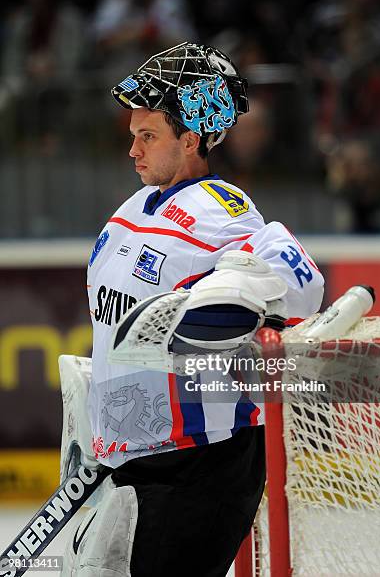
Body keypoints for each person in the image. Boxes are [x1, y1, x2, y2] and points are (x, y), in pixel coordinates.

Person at [62, 42, 324, 577]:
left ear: (190, 139)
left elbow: (302, 285)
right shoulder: (134, 205)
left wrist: (243, 286)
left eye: (148, 136)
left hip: (200, 461)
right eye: (133, 135)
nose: (133, 150)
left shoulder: (221, 210)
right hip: (135, 457)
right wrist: (97, 426)